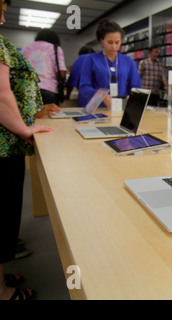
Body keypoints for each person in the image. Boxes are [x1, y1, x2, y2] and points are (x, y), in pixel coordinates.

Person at [0, 0, 54, 300]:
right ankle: (3, 293)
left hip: (6, 145)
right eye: (1, 11)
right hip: (3, 145)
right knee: (2, 214)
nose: (3, 17)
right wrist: (24, 129)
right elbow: (0, 92)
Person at [79, 18, 141, 109]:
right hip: (97, 108)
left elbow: (136, 86)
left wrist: (133, 96)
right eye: (110, 42)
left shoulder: (128, 61)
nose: (114, 46)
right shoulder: (91, 59)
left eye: (117, 42)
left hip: (121, 109)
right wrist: (100, 96)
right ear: (102, 40)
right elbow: (84, 87)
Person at [22, 29, 67, 105]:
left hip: (26, 89)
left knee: (27, 116)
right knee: (48, 116)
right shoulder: (55, 48)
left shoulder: (26, 48)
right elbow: (62, 74)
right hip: (48, 90)